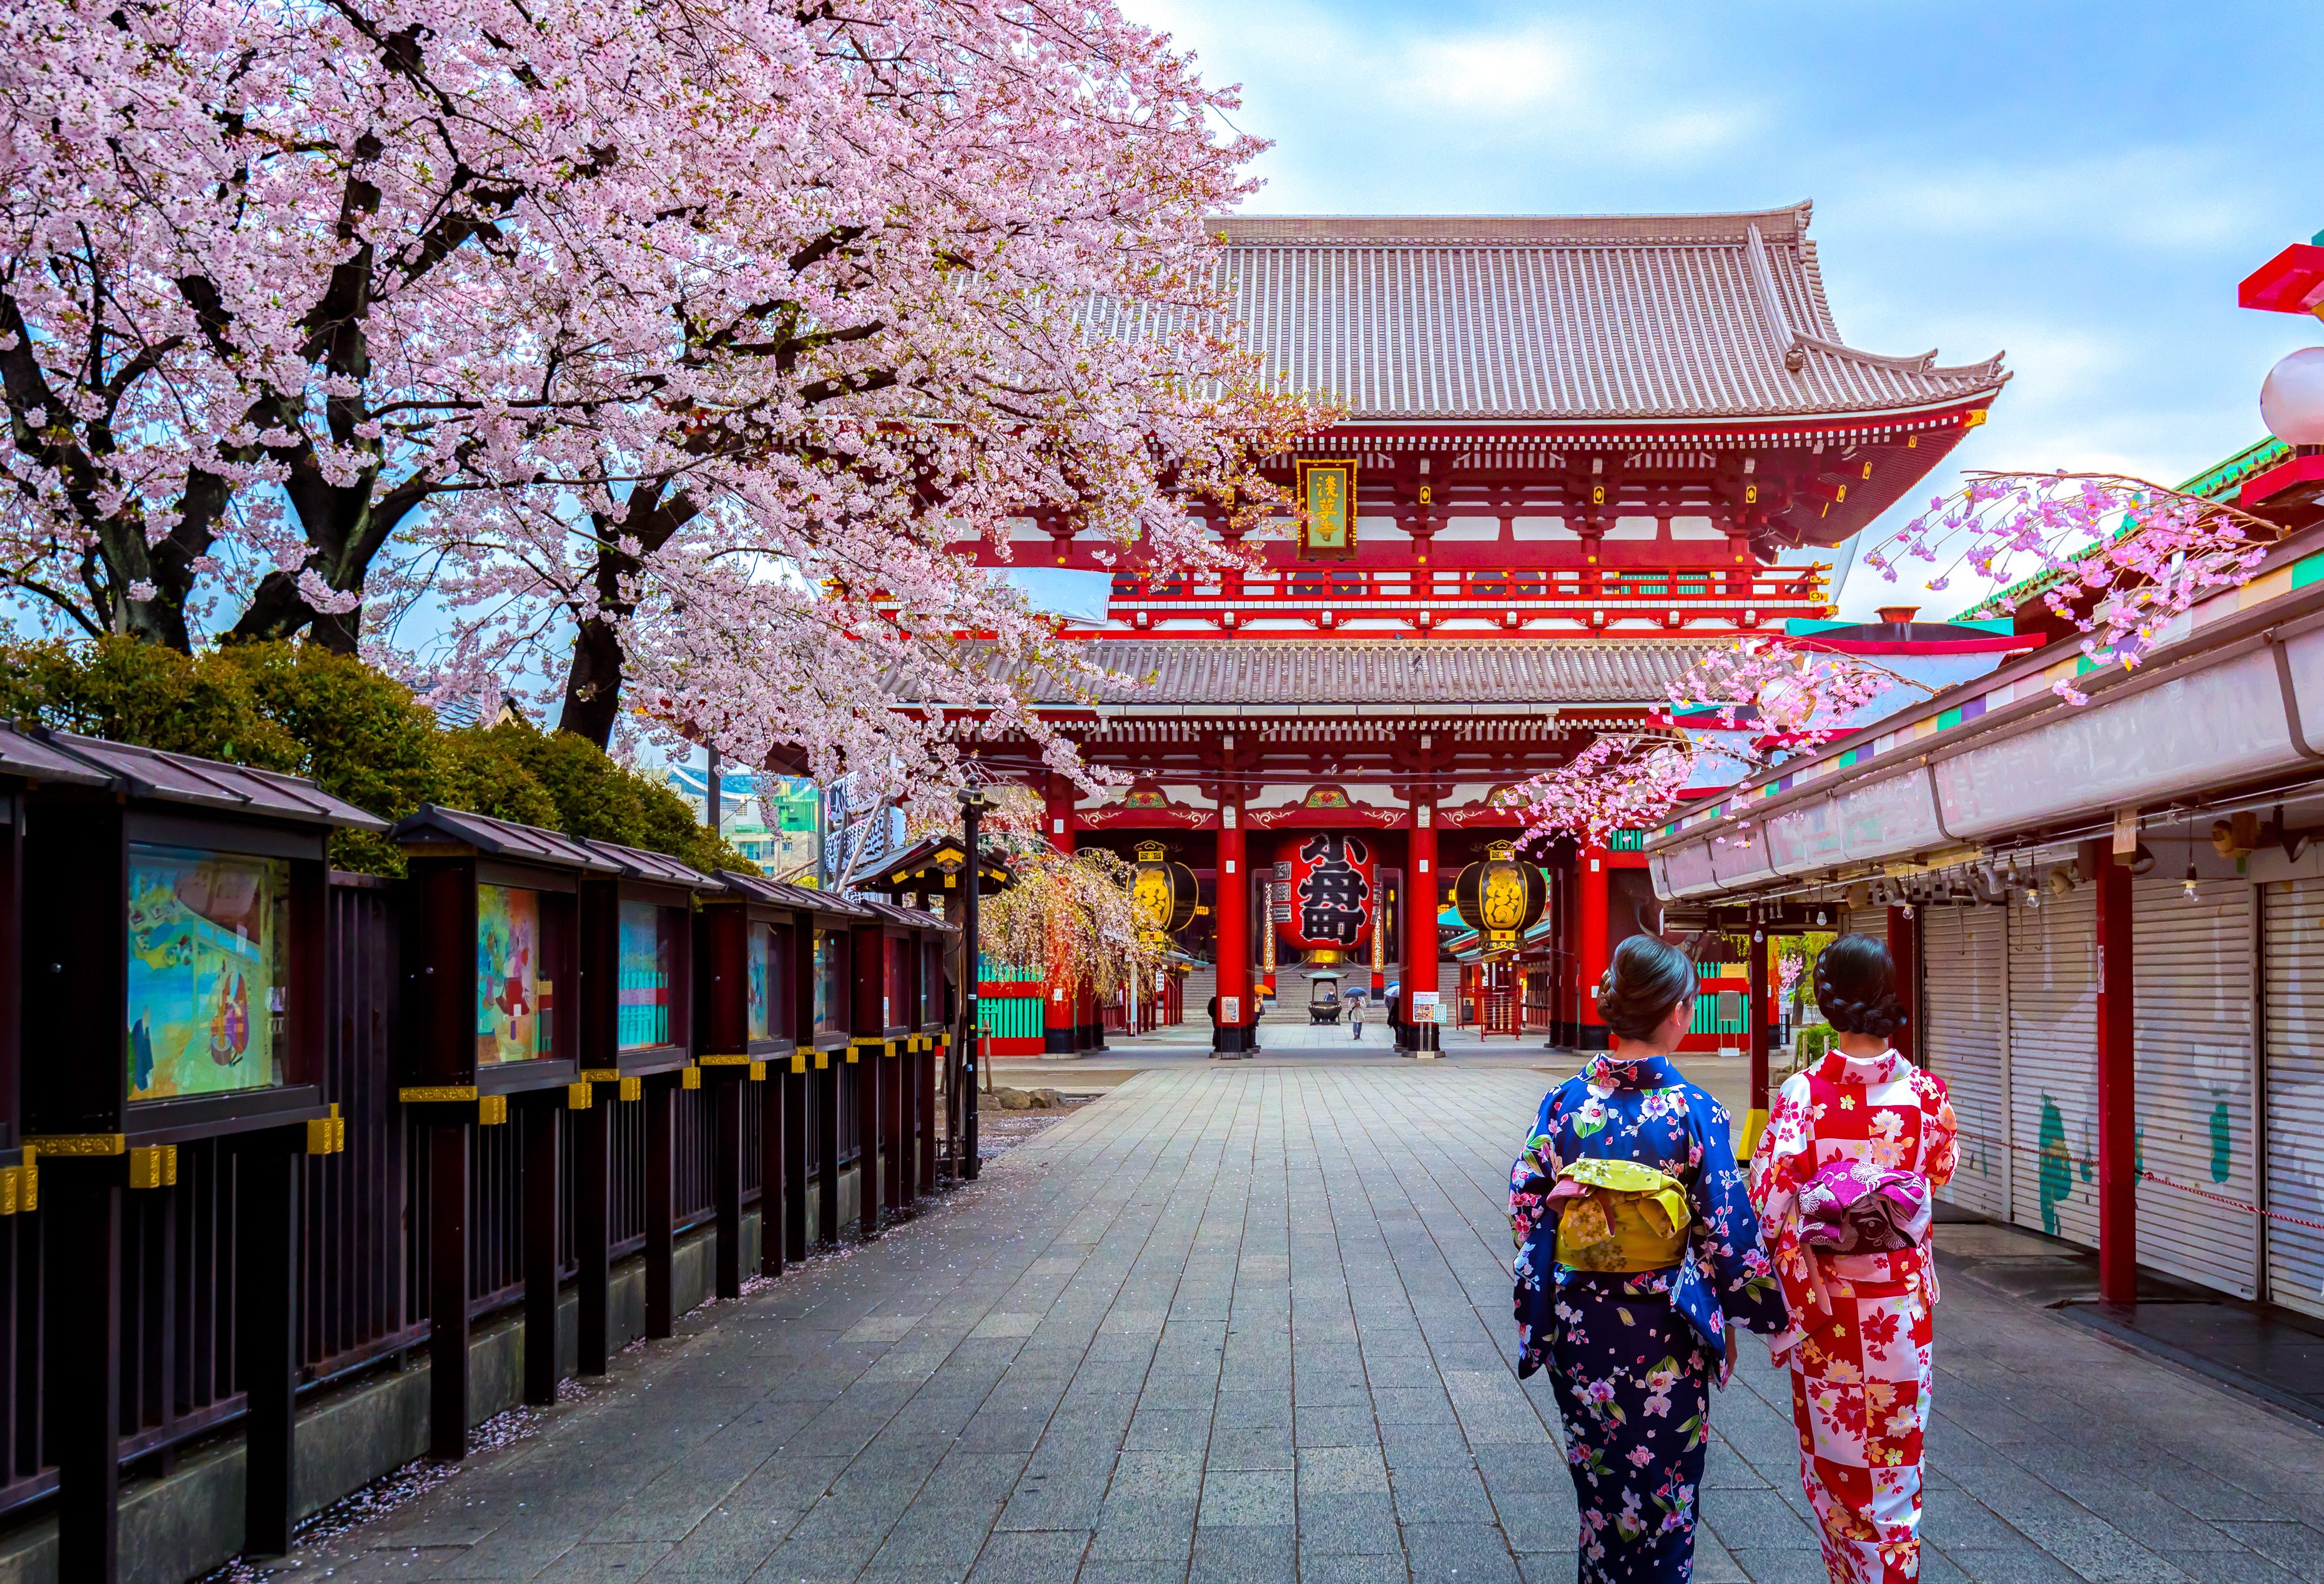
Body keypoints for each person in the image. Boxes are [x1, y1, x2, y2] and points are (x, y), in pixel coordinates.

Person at [1508, 936, 1786, 1583]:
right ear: (1675, 1012)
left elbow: (1526, 1208)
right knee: (1664, 1497)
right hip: (1663, 1329)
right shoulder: (1694, 1110)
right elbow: (1726, 1230)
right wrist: (1765, 1316)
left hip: (1579, 1325)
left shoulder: (1564, 1104)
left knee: (1600, 1493)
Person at [1748, 934, 1957, 1584]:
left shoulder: (1801, 1095)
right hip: (1899, 1313)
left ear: (1825, 998)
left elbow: (1766, 1199)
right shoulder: (1925, 1094)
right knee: (1894, 1474)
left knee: (1837, 1474)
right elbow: (1939, 1172)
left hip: (1830, 1310)